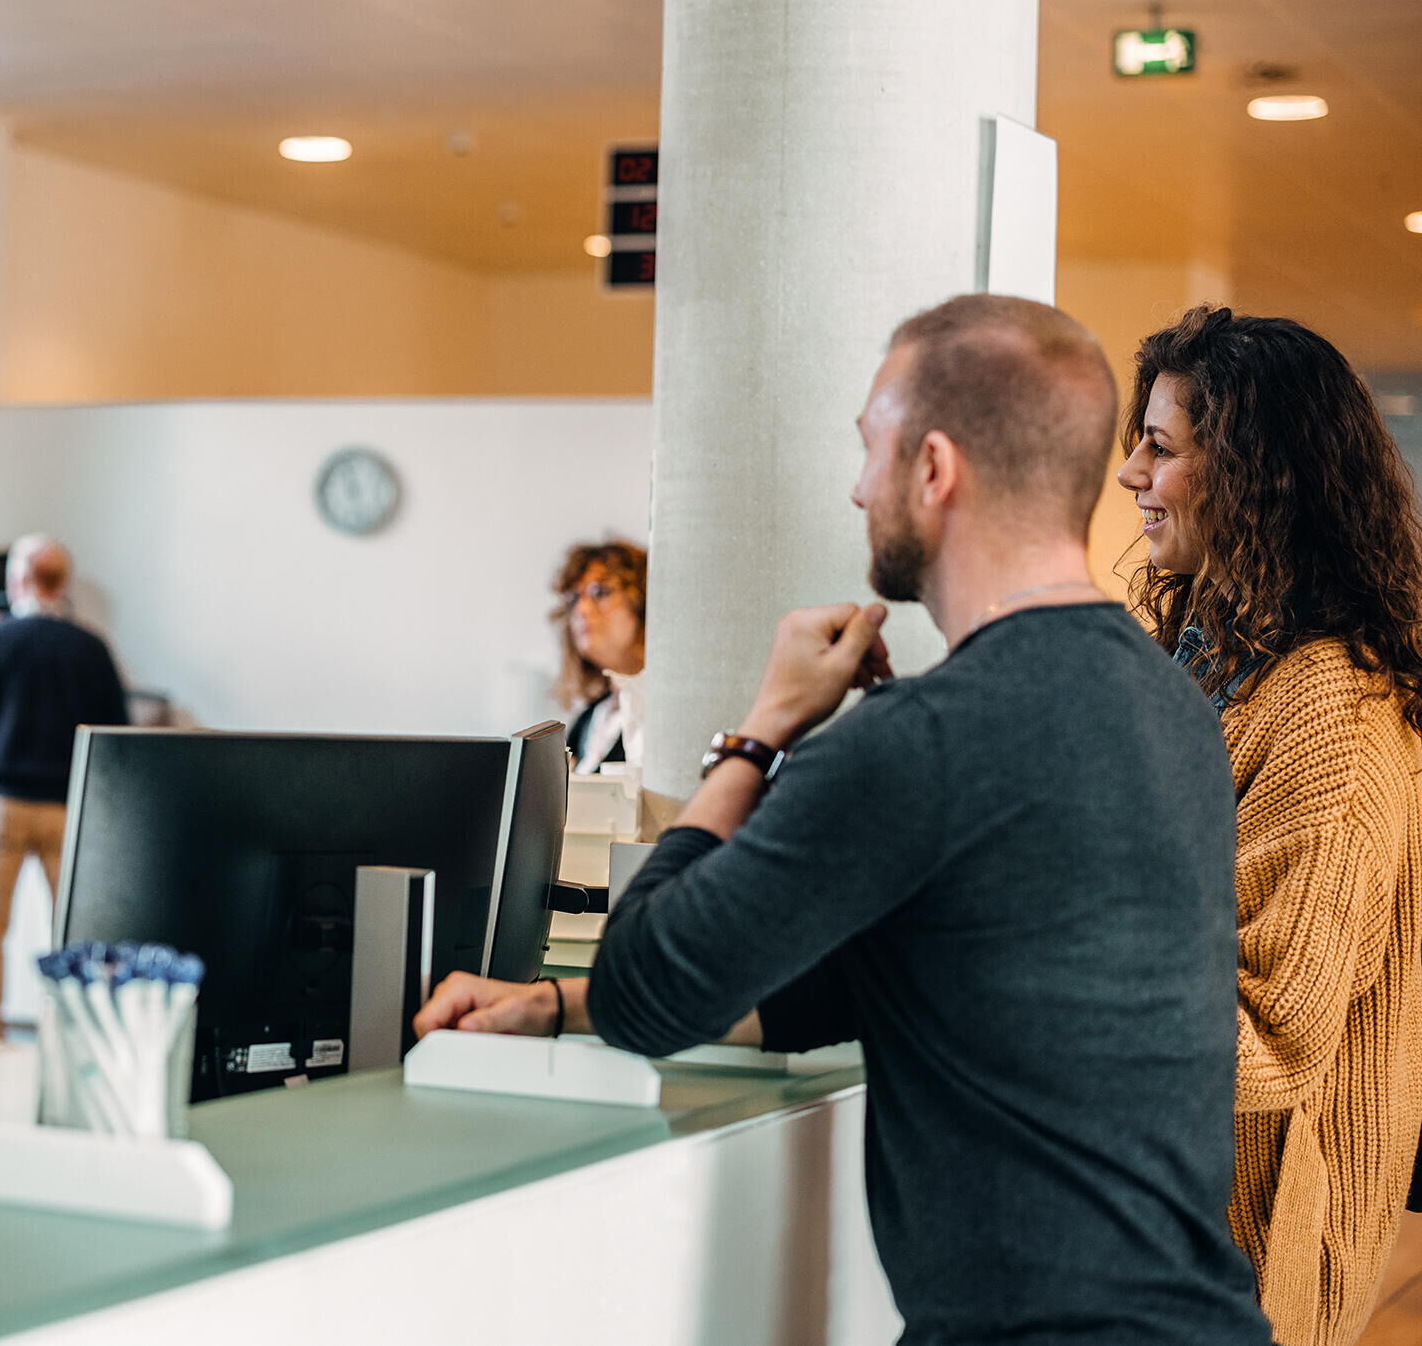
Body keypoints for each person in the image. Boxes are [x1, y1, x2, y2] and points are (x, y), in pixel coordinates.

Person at [416, 294, 1271, 1345]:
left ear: (934, 468)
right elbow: (837, 986)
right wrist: (553, 1004)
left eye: (871, 446)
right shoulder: (1168, 705)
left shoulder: (924, 738)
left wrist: (762, 729)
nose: (856, 485)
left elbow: (649, 985)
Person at [1116, 306, 1422, 1346]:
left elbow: (1269, 1037)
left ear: (1254, 471)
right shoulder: (1216, 657)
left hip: (1247, 1264)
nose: (1130, 474)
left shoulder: (1328, 703)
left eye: (1161, 446)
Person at [0, 535, 129, 1039]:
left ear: (16, 580)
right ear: (64, 583)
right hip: (66, 811)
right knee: (68, 931)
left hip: (3, 806)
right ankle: (67, 1030)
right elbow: (114, 736)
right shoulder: (92, 649)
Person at [554, 539, 648, 770]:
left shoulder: (664, 714)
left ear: (643, 602)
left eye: (600, 592)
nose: (581, 610)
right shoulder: (586, 721)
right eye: (574, 598)